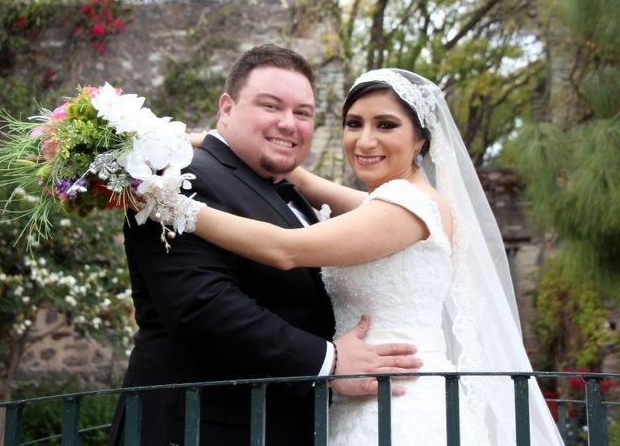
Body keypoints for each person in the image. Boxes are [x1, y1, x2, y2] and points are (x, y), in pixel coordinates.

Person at [180, 69, 565, 444]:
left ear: (421, 140)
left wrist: (170, 205)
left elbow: (285, 249)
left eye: (385, 125)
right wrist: (203, 142)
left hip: (402, 408)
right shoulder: (393, 201)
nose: (364, 141)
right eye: (354, 124)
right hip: (360, 400)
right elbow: (306, 182)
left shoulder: (406, 206)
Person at [107, 46, 421, 446]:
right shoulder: (176, 180)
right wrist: (329, 360)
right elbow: (201, 305)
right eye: (271, 106)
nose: (289, 124)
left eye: (303, 113)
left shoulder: (287, 189)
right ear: (227, 108)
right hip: (200, 428)